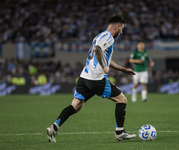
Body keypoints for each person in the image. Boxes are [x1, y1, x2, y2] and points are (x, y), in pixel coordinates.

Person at [46, 15, 137, 143]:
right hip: (97, 79)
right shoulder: (108, 37)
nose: (121, 32)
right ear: (116, 26)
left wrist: (123, 69)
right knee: (122, 99)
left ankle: (54, 127)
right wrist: (103, 66)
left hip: (84, 78)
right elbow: (97, 50)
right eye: (121, 29)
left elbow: (104, 56)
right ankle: (120, 132)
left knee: (76, 106)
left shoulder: (99, 36)